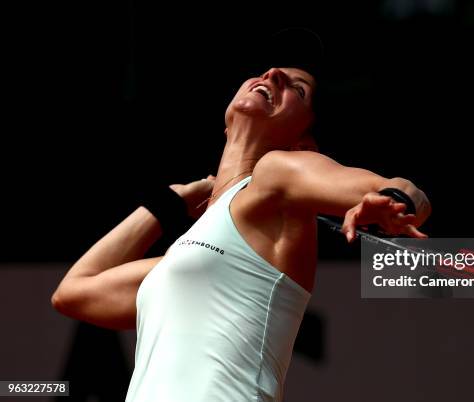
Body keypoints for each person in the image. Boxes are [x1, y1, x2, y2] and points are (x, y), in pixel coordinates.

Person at [51, 30, 431, 402]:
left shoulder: (276, 175)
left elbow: (400, 188)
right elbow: (73, 293)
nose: (273, 75)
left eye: (298, 90)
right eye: (269, 71)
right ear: (226, 121)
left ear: (304, 146)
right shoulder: (182, 263)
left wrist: (395, 200)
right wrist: (170, 203)